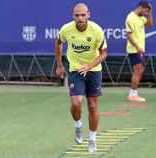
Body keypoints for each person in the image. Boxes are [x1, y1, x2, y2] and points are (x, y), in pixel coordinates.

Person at [55, 3, 107, 153]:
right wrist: (59, 64)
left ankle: (92, 139)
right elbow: (58, 43)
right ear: (73, 16)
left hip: (94, 70)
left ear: (88, 15)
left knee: (92, 105)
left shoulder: (96, 30)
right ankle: (78, 125)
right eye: (77, 15)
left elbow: (103, 53)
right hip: (76, 70)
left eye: (83, 15)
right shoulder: (66, 29)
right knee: (76, 103)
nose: (80, 18)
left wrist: (89, 66)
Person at [125, 0, 153, 102]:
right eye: (145, 11)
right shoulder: (130, 17)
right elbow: (129, 35)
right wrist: (137, 47)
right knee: (138, 71)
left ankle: (133, 93)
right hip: (134, 50)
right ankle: (133, 94)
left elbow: (150, 25)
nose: (146, 14)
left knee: (139, 71)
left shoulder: (141, 18)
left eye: (147, 12)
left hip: (139, 50)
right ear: (140, 7)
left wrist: (150, 13)